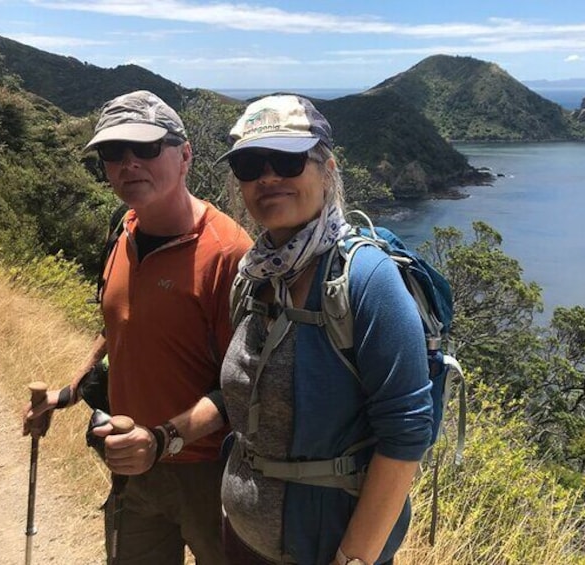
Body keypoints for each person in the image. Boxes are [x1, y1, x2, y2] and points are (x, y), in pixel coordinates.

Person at [23, 90, 252, 564]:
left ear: (185, 155)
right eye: (113, 153)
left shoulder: (227, 252)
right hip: (132, 463)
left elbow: (244, 386)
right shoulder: (122, 228)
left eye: (147, 148)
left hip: (209, 472)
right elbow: (121, 325)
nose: (129, 164)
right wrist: (66, 395)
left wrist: (163, 439)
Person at [216, 94, 434, 565]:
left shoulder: (366, 280)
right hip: (241, 539)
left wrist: (351, 559)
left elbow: (407, 435)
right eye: (251, 164)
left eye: (288, 159)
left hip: (322, 550)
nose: (268, 176)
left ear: (327, 169)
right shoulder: (254, 276)